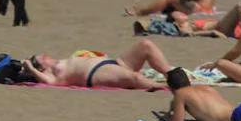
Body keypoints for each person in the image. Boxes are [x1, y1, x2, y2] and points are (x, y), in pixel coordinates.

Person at [20, 40, 172, 90]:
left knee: (146, 45)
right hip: (97, 73)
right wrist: (31, 69)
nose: (40, 55)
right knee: (135, 77)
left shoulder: (60, 61)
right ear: (41, 67)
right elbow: (49, 83)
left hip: (113, 63)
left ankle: (172, 76)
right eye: (36, 58)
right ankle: (166, 86)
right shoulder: (50, 74)